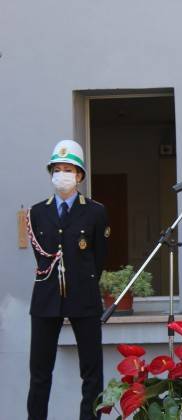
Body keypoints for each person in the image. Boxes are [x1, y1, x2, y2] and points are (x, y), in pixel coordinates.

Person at [26, 140, 109, 420]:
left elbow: (99, 259)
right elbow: (41, 258)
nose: (62, 175)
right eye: (57, 169)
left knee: (92, 374)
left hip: (83, 296)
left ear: (79, 175)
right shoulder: (38, 212)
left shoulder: (96, 211)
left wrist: (82, 281)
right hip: (46, 297)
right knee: (39, 374)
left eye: (68, 169)